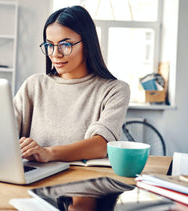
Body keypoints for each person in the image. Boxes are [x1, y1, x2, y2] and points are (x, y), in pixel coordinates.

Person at [13, 6, 130, 163]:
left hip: (82, 181)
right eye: (49, 45)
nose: (55, 54)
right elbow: (6, 131)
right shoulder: (34, 85)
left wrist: (49, 153)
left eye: (65, 45)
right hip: (34, 177)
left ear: (87, 45)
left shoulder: (114, 90)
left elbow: (101, 145)